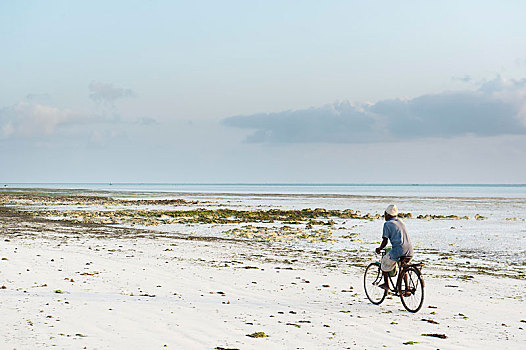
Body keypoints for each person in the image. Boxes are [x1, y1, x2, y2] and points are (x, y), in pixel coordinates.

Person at [375, 204, 413, 292]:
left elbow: (385, 241)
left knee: (384, 262)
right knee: (403, 268)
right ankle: (407, 288)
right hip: (409, 250)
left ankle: (386, 284)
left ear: (387, 215)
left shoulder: (387, 224)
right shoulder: (401, 222)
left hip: (398, 250)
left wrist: (379, 248)